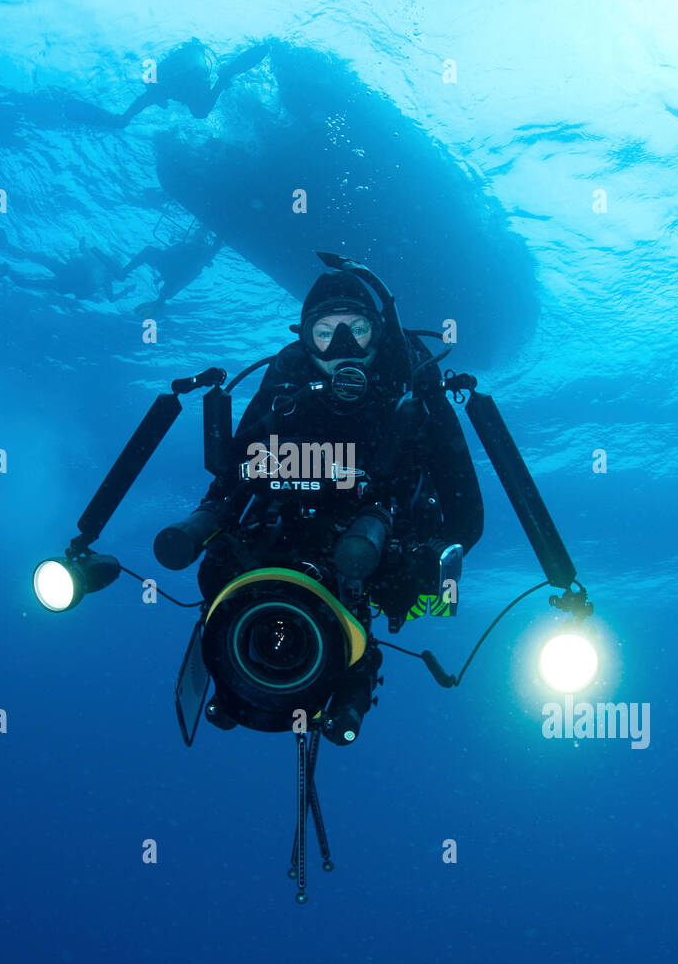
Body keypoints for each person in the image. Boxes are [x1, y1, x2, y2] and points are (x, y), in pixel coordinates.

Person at [155, 260, 484, 743]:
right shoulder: (287, 375)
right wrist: (210, 533)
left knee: (403, 596)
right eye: (326, 333)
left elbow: (465, 516)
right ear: (305, 339)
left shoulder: (414, 382)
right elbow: (232, 478)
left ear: (381, 333)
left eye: (358, 330)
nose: (344, 348)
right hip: (286, 533)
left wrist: (416, 575)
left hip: (377, 546)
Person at [109, 37, 269, 125]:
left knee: (199, 111)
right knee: (200, 111)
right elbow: (147, 92)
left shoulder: (161, 86)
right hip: (195, 76)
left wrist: (126, 117)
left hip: (188, 78)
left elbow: (144, 96)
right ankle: (225, 76)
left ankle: (224, 76)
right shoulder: (162, 85)